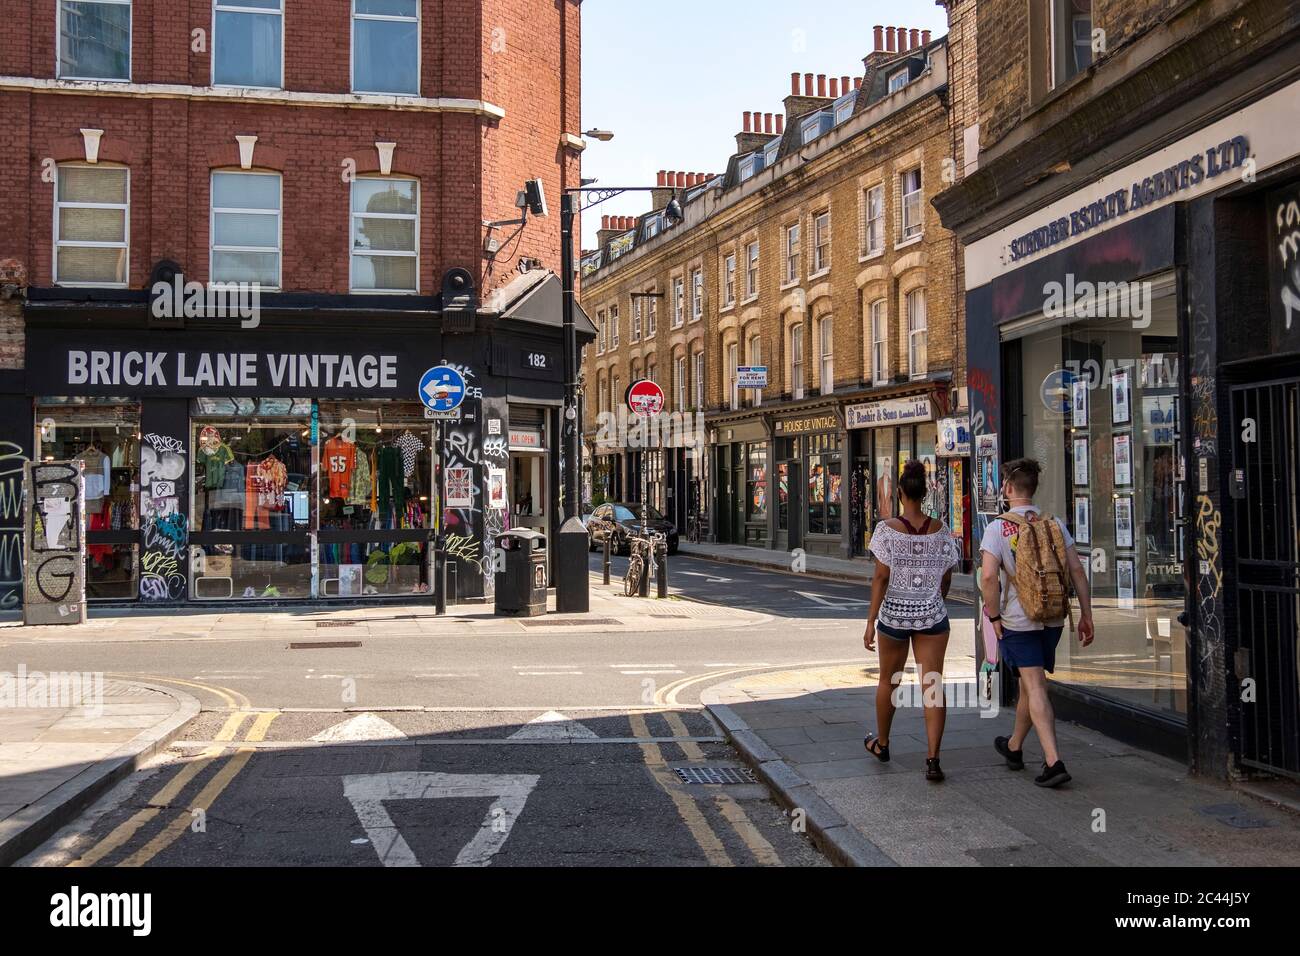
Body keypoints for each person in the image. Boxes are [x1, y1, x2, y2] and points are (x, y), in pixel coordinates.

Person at [979, 458, 1095, 788]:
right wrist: (1086, 614)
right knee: (1031, 684)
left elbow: (988, 577)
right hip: (1054, 619)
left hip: (1019, 619)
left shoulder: (998, 527)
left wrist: (994, 617)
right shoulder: (1054, 522)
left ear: (1008, 488)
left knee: (1035, 687)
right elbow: (1076, 570)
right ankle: (1014, 747)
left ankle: (1053, 761)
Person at [863, 460, 960, 782]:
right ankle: (933, 758)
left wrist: (870, 621)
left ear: (901, 493)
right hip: (932, 616)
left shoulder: (885, 530)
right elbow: (947, 575)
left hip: (894, 616)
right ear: (925, 492)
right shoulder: (942, 530)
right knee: (932, 684)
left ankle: (884, 743)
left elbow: (880, 578)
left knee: (888, 681)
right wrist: (936, 599)